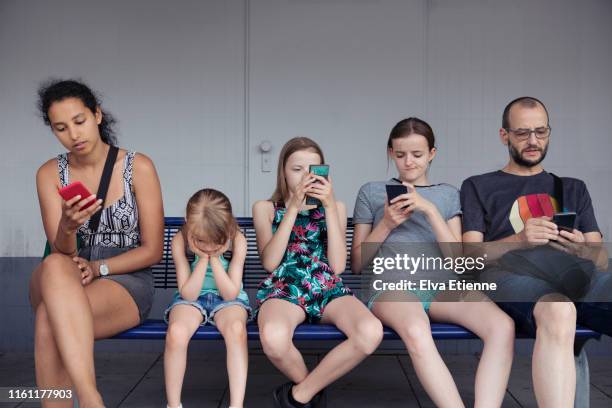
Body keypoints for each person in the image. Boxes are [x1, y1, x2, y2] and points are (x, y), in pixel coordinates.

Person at [351, 117, 514, 407]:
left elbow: (457, 263)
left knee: (502, 326)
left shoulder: (448, 195)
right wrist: (387, 224)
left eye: (417, 155)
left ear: (432, 154)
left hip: (442, 287)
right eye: (400, 155)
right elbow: (357, 264)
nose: (409, 162)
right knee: (416, 327)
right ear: (391, 153)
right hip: (392, 287)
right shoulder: (371, 192)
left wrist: (430, 211)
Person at [461, 96, 610, 408]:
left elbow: (601, 260)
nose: (533, 141)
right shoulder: (478, 186)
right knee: (559, 310)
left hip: (573, 273)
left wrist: (583, 249)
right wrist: (519, 239)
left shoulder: (573, 187)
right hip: (510, 276)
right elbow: (470, 258)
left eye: (540, 132)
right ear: (505, 136)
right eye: (522, 133)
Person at [29, 79, 164, 407]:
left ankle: (88, 398)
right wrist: (67, 226)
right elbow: (62, 252)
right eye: (61, 128)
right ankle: (91, 398)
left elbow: (153, 250)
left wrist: (98, 266)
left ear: (97, 116)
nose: (73, 135)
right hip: (65, 272)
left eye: (79, 121)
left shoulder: (138, 167)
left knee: (50, 319)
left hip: (124, 278)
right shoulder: (49, 173)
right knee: (54, 263)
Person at [253, 137, 383, 408]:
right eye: (296, 169)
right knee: (274, 338)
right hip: (285, 285)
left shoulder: (336, 208)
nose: (305, 176)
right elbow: (270, 262)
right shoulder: (265, 209)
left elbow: (337, 266)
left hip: (327, 285)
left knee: (370, 331)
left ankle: (298, 396)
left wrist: (329, 207)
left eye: (312, 169)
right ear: (283, 172)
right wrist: (292, 209)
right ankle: (313, 394)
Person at [164, 188, 251, 408]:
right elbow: (188, 293)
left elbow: (230, 293)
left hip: (229, 299)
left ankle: (236, 405)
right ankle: (173, 405)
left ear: (228, 227)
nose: (209, 246)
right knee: (176, 333)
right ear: (188, 224)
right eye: (202, 241)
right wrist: (202, 259)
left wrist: (215, 258)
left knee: (236, 331)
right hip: (191, 299)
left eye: (216, 241)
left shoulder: (238, 239)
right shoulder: (180, 240)